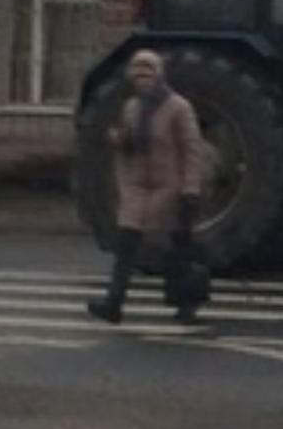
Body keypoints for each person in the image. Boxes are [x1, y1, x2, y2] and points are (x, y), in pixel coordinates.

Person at [88, 50, 207, 325]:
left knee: (171, 248)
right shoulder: (132, 106)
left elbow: (191, 149)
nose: (142, 79)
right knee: (126, 244)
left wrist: (191, 189)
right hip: (137, 186)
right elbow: (129, 145)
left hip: (169, 186)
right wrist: (119, 138)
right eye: (137, 74)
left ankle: (186, 305)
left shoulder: (178, 107)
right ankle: (113, 303)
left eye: (148, 73)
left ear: (159, 75)